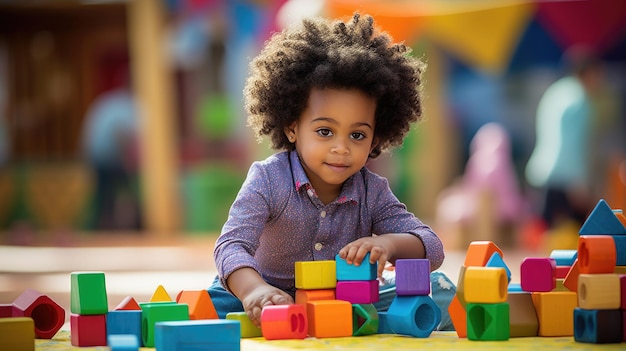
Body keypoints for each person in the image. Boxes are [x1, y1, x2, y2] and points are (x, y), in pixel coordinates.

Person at [209, 13, 455, 330]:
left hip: (341, 301)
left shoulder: (372, 191)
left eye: (357, 135)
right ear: (292, 127)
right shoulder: (268, 179)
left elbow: (431, 247)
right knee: (208, 311)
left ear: (376, 137)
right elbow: (231, 246)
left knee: (442, 294)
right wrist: (254, 290)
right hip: (264, 294)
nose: (341, 148)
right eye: (325, 132)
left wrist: (389, 245)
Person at [525, 47, 605, 231]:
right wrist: (578, 181)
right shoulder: (580, 100)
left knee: (543, 236)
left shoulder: (556, 91)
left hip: (542, 171)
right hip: (566, 177)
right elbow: (572, 143)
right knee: (580, 239)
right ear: (589, 73)